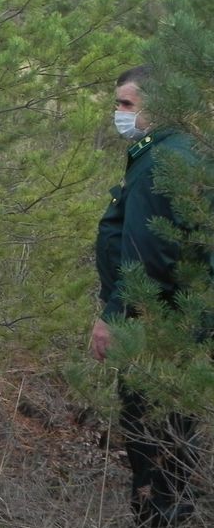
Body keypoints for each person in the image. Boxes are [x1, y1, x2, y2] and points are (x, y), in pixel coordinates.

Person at [91, 65, 208, 526]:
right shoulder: (175, 150)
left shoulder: (162, 159)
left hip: (155, 320)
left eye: (126, 104)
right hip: (178, 315)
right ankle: (169, 507)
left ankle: (161, 513)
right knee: (171, 419)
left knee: (150, 424)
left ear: (156, 107)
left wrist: (115, 315)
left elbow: (147, 253)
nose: (118, 113)